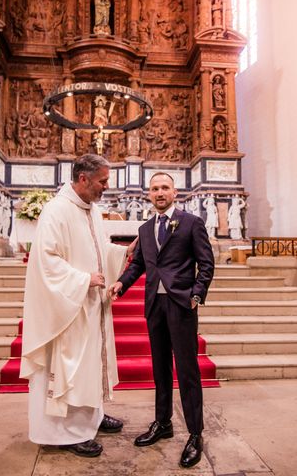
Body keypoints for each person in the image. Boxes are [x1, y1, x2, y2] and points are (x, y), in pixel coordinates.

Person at [19, 154, 135, 458]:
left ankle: (90, 419)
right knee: (69, 369)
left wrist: (122, 253)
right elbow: (46, 261)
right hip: (67, 308)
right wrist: (84, 280)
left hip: (90, 305)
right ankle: (64, 433)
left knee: (88, 367)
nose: (106, 187)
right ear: (83, 179)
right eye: (102, 181)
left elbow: (98, 248)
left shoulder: (92, 211)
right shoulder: (56, 211)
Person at [108, 172, 215, 469]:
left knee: (188, 370)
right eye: (154, 188)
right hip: (154, 305)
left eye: (164, 188)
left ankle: (195, 433)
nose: (159, 192)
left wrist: (196, 295)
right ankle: (163, 422)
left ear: (174, 192)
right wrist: (121, 284)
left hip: (181, 304)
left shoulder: (191, 223)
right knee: (160, 367)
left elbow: (206, 263)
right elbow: (139, 263)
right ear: (148, 194)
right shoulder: (144, 228)